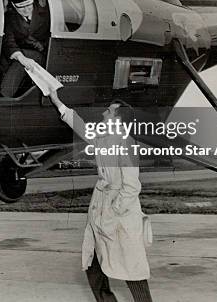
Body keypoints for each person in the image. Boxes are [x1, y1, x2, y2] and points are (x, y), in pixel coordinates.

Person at [48, 90, 154, 302]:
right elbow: (80, 127)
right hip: (101, 212)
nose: (104, 114)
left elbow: (132, 186)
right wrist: (58, 102)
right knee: (93, 265)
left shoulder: (127, 143)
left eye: (109, 112)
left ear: (118, 120)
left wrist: (114, 211)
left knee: (132, 269)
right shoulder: (104, 139)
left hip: (121, 215)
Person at [0, 0, 50, 97]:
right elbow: (9, 41)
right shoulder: (10, 18)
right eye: (21, 7)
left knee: (24, 59)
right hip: (19, 53)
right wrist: (20, 57)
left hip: (41, 55)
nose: (26, 10)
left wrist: (22, 57)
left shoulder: (46, 14)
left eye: (29, 5)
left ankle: (5, 95)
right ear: (13, 5)